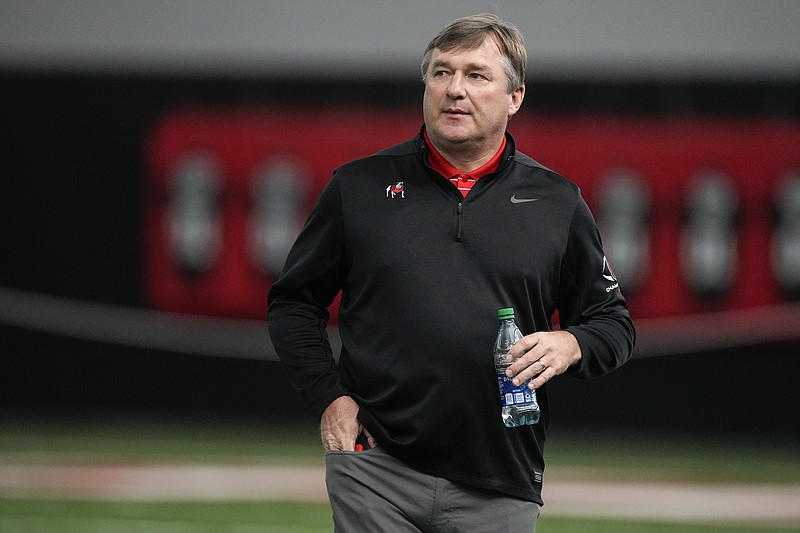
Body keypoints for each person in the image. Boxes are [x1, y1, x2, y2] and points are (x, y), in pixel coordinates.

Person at [268, 13, 635, 532]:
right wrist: (329, 397)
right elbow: (293, 303)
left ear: (515, 97)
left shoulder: (557, 202)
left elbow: (614, 325)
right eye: (441, 73)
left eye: (476, 75)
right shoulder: (359, 187)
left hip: (501, 478)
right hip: (375, 466)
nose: (454, 90)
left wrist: (569, 344)